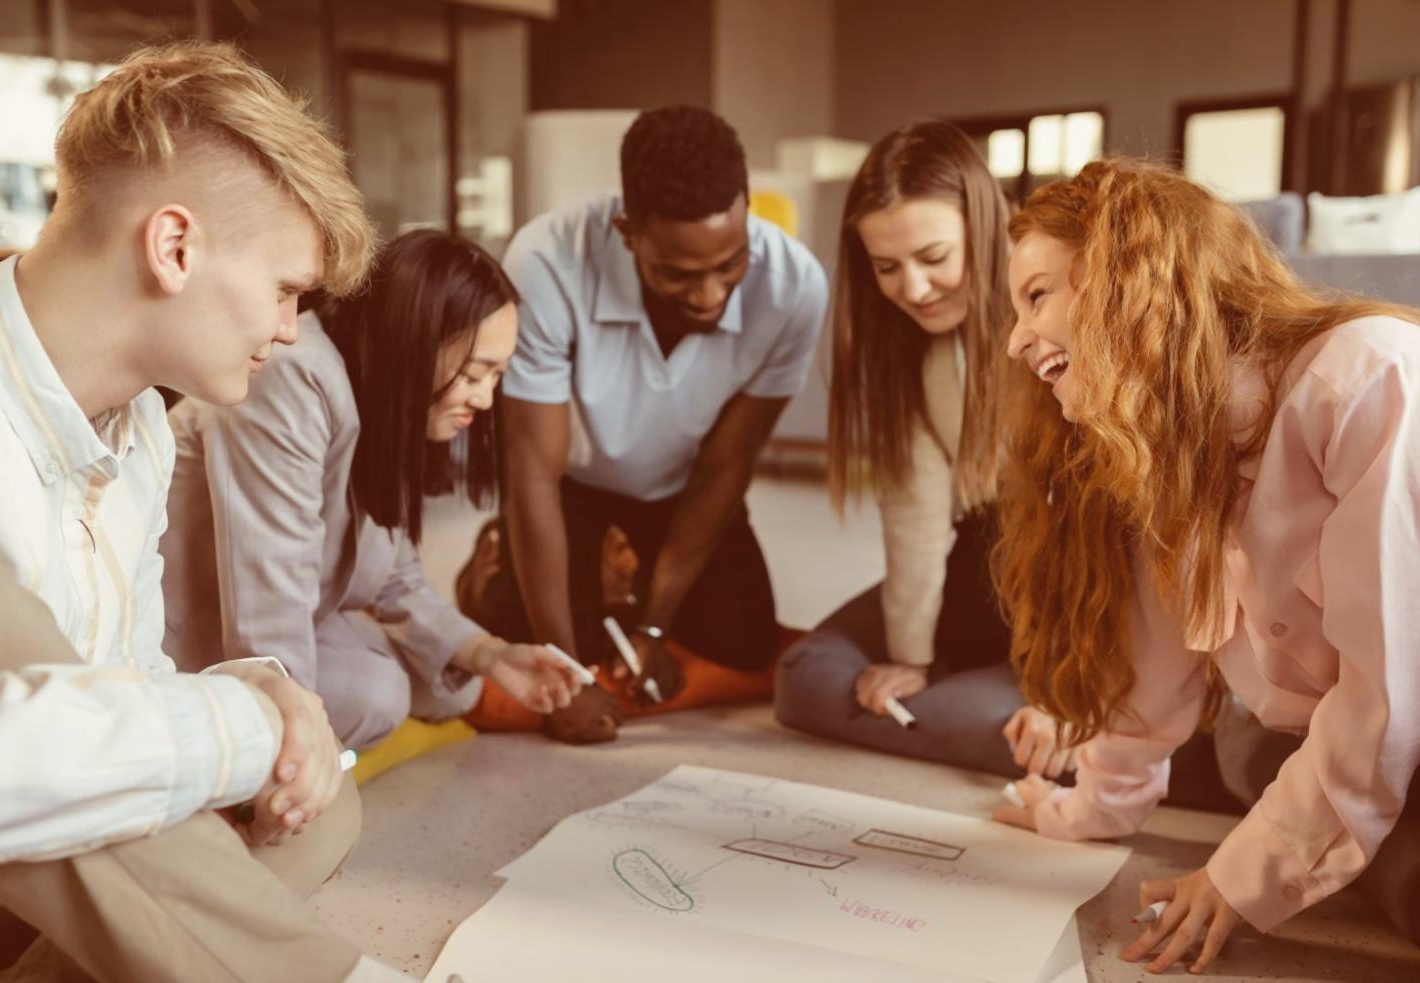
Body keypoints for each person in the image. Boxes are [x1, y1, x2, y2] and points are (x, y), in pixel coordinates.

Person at [0, 41, 410, 981]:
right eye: (284, 289)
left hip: (44, 864)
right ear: (175, 246)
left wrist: (264, 697)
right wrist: (237, 724)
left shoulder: (144, 432)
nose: (289, 329)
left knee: (319, 787)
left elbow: (129, 678)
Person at [992, 158, 1420, 973]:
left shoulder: (1365, 377)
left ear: (1130, 277)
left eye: (1037, 295)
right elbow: (1153, 677)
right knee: (1261, 762)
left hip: (1399, 720)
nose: (1016, 339)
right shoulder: (1168, 454)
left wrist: (1240, 879)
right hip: (1365, 744)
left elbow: (1390, 685)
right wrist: (1088, 807)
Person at [476, 105, 828, 743]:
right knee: (541, 636)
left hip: (685, 481)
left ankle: (630, 597)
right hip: (572, 484)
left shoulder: (796, 287)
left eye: (730, 264)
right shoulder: (545, 261)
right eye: (677, 273)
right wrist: (565, 677)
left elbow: (726, 466)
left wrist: (656, 628)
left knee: (743, 637)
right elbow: (532, 473)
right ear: (627, 233)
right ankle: (489, 562)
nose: (709, 295)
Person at [162, 231, 582, 749]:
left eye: (498, 376)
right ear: (415, 341)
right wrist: (298, 742)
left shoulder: (386, 402)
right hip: (186, 636)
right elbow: (268, 599)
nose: (487, 399)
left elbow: (395, 579)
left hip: (271, 616)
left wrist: (491, 653)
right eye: (476, 373)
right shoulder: (295, 377)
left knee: (433, 679)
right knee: (377, 691)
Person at [772, 120, 1074, 779]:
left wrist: (1069, 688)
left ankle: (1103, 728)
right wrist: (910, 656)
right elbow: (914, 517)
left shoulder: (1068, 316)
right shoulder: (911, 351)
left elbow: (1117, 530)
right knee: (806, 677)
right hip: (994, 557)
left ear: (986, 229)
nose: (912, 288)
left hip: (1088, 561)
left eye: (934, 257)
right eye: (887, 267)